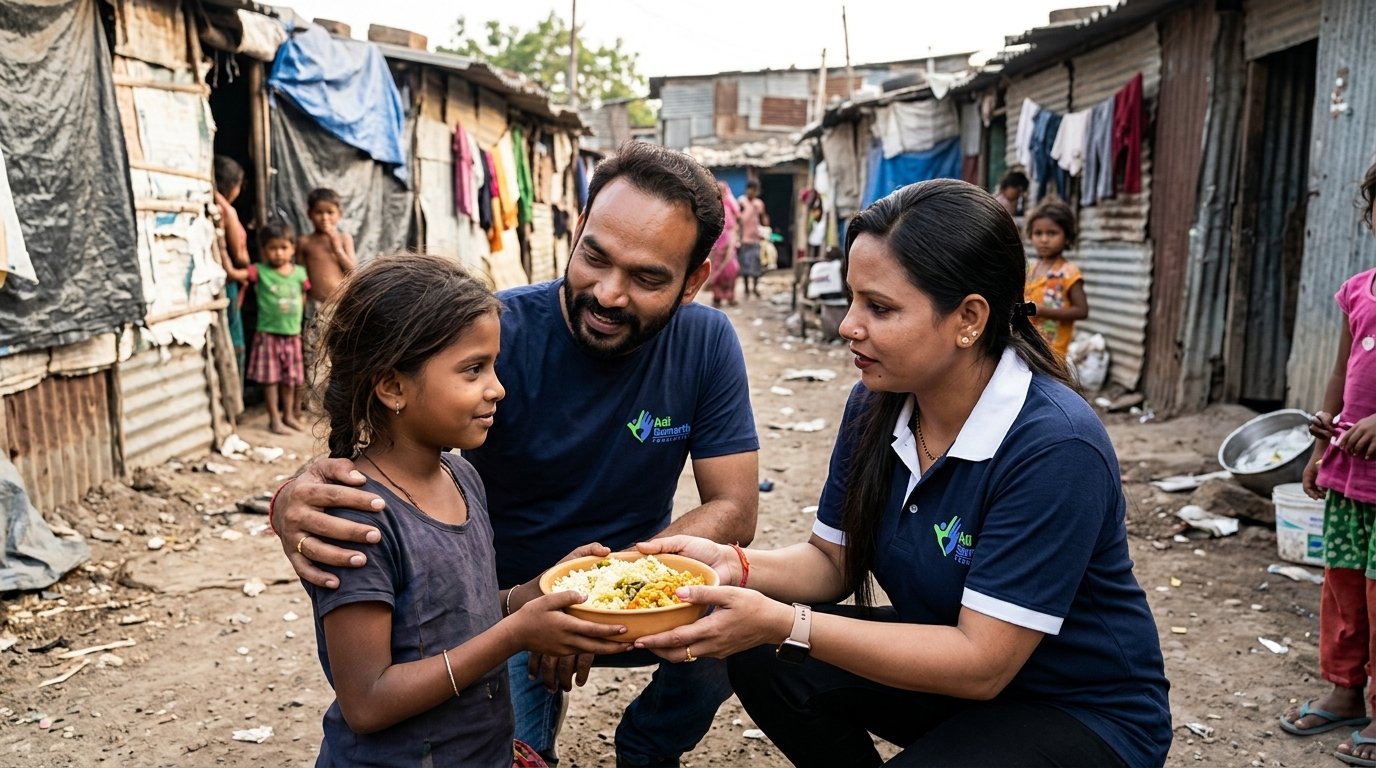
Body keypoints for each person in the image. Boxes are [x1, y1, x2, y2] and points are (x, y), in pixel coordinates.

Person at [633, 179, 1172, 767]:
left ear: (969, 318)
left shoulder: (1054, 445)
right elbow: (832, 562)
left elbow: (982, 663)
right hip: (952, 676)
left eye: (880, 308)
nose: (848, 325)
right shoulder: (876, 404)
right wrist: (733, 565)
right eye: (853, 299)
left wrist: (787, 621)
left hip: (1077, 710)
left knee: (782, 633)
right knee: (767, 656)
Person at [272, 140, 760, 768]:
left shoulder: (706, 343)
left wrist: (599, 588)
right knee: (505, 745)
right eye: (595, 257)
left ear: (695, 279)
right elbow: (381, 451)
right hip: (503, 616)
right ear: (576, 229)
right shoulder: (490, 333)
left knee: (747, 624)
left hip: (616, 600)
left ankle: (647, 748)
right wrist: (290, 500)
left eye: (646, 278)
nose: (609, 294)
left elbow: (734, 508)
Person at [302, 253, 632, 767]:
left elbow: (455, 616)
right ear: (392, 387)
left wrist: (534, 593)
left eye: (494, 365)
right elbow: (367, 701)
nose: (496, 388)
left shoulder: (463, 476)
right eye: (473, 370)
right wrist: (515, 636)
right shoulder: (356, 517)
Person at [1280, 161, 1376, 768]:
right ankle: (1346, 692)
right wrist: (1320, 448)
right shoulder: (1359, 289)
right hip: (1348, 475)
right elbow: (1339, 379)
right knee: (1342, 590)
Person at [296, 187, 355, 415]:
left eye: (330, 212)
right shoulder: (305, 242)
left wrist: (337, 248)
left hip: (341, 308)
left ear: (339, 214)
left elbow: (353, 270)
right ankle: (314, 405)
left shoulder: (343, 239)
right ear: (309, 214)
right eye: (319, 212)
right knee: (313, 355)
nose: (325, 218)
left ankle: (339, 402)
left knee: (339, 353)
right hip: (314, 308)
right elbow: (300, 277)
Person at [246, 220, 309, 435]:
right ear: (263, 250)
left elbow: (304, 296)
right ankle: (274, 419)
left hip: (292, 334)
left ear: (292, 248)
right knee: (270, 380)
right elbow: (238, 275)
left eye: (283, 248)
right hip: (268, 334)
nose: (278, 253)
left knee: (290, 379)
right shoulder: (259, 271)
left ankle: (289, 415)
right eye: (272, 248)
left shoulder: (300, 273)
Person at [1023, 198, 1089, 359]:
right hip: (1027, 347)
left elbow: (1082, 311)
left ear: (1066, 237)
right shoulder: (1029, 269)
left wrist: (1043, 311)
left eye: (1052, 233)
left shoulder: (1069, 272)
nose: (1044, 239)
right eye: (1038, 233)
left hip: (1054, 354)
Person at [213, 156, 251, 379]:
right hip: (228, 282)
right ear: (234, 186)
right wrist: (246, 266)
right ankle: (235, 384)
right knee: (233, 335)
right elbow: (239, 255)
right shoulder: (228, 211)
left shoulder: (211, 203)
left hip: (218, 281)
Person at [707, 181, 740, 307]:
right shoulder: (712, 205)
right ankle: (717, 297)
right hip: (716, 242)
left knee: (731, 270)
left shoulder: (730, 204)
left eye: (722, 189)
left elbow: (735, 222)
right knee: (716, 268)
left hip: (729, 241)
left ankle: (730, 296)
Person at [737, 179, 768, 299]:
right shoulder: (741, 202)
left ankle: (755, 288)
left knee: (756, 265)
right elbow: (737, 219)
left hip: (756, 239)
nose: (751, 192)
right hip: (744, 239)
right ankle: (746, 289)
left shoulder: (759, 204)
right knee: (745, 264)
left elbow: (764, 220)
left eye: (754, 190)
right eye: (750, 189)